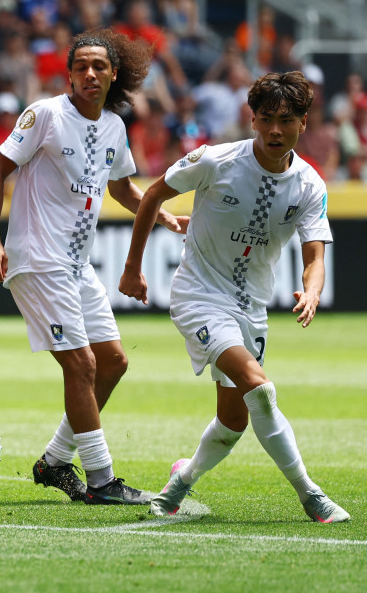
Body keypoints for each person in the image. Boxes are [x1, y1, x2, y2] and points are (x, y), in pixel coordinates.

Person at [120, 71, 349, 523]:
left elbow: (314, 256)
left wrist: (314, 291)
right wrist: (132, 268)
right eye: (266, 119)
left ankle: (178, 483)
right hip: (198, 295)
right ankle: (311, 494)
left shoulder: (309, 186)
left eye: (286, 120)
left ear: (304, 122)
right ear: (252, 119)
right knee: (260, 391)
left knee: (234, 422)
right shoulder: (215, 160)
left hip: (252, 308)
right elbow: (151, 195)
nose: (275, 131)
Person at [0, 29, 187, 505]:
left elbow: (123, 190)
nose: (90, 74)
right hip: (36, 259)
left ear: (115, 74)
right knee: (82, 364)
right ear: (69, 75)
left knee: (113, 361)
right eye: (80, 67)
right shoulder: (46, 114)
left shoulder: (114, 125)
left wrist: (163, 215)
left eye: (99, 66)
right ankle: (101, 480)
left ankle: (54, 462)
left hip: (76, 265)